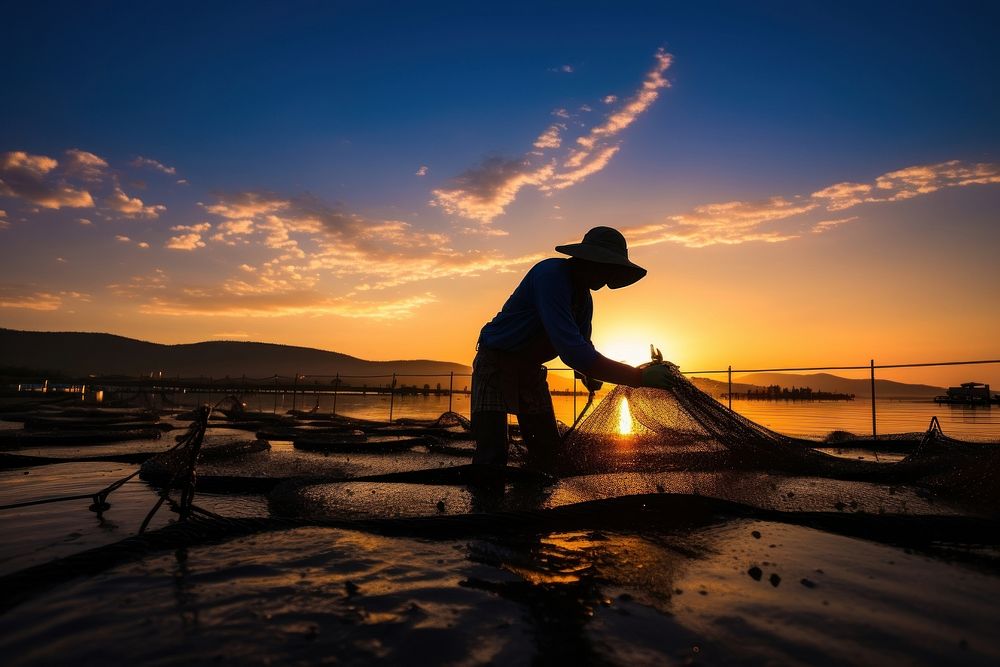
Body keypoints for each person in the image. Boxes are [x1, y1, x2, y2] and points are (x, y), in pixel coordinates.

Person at [471, 226, 676, 472]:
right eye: (606, 267)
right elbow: (572, 352)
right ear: (588, 260)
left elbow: (582, 344)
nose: (607, 276)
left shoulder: (584, 299)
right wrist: (638, 377)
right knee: (492, 453)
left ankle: (531, 507)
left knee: (547, 451)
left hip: (530, 370)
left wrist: (589, 375)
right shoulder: (550, 275)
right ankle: (485, 506)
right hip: (495, 361)